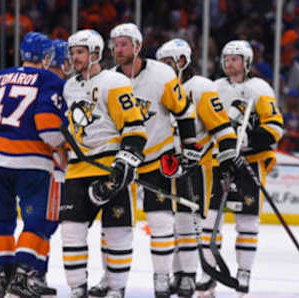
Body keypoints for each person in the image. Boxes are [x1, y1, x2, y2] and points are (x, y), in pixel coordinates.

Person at [99, 23, 198, 298]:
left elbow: (184, 110)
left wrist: (189, 146)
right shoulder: (107, 78)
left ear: (138, 46)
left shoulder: (162, 74)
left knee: (161, 223)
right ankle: (108, 277)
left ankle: (162, 277)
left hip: (157, 158)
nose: (118, 49)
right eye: (115, 44)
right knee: (113, 227)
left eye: (124, 44)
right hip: (122, 162)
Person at [0, 32, 67, 298]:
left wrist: (2, 136)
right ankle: (22, 279)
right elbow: (48, 127)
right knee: (37, 222)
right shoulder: (49, 79)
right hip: (33, 163)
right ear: (47, 57)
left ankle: (4, 280)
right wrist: (61, 149)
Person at [59, 28, 147, 298]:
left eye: (80, 52)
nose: (75, 57)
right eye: (73, 52)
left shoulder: (114, 82)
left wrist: (124, 165)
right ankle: (77, 288)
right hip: (77, 167)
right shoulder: (70, 86)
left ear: (95, 53)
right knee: (71, 233)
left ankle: (116, 289)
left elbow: (134, 127)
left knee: (117, 232)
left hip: (108, 165)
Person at [198, 40, 284, 297]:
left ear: (246, 62)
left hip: (248, 163)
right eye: (226, 58)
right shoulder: (214, 88)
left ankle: (244, 272)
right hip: (217, 162)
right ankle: (209, 272)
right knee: (210, 220)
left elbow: (275, 127)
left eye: (235, 58)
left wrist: (249, 139)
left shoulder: (260, 88)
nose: (229, 62)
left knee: (247, 222)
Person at [155, 38, 238, 297]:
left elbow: (221, 126)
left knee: (185, 223)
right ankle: (176, 274)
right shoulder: (161, 88)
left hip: (194, 166)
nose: (164, 68)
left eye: (168, 63)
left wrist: (226, 158)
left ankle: (188, 276)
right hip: (163, 165)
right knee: (167, 225)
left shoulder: (201, 87)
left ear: (182, 61)